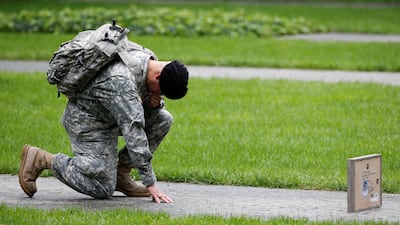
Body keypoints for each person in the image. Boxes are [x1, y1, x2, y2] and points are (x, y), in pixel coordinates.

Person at [18, 43, 189, 203]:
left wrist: (154, 104)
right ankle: (43, 159)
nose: (160, 95)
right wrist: (150, 183)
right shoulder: (121, 79)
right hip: (88, 122)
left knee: (163, 119)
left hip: (111, 115)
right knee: (102, 188)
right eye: (161, 92)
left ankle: (121, 174)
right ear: (159, 76)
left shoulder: (150, 61)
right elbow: (134, 131)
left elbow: (137, 110)